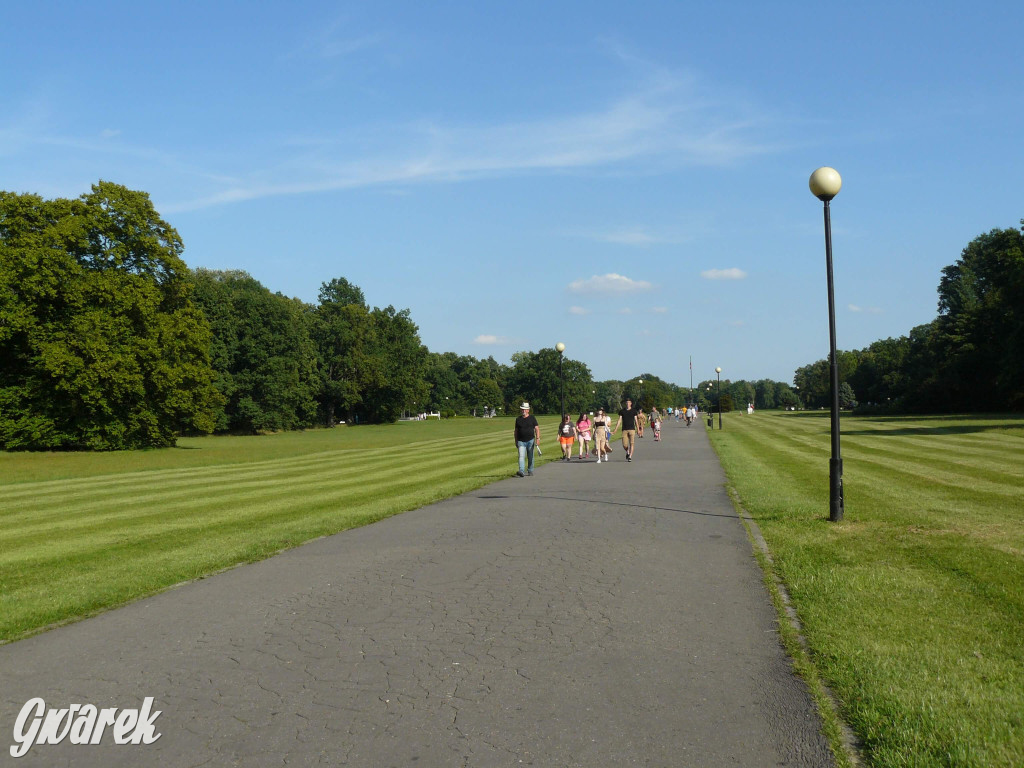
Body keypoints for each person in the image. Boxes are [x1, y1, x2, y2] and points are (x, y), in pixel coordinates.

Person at [513, 402, 540, 477]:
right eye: (522, 409)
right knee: (521, 456)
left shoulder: (532, 418)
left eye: (525, 409)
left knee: (530, 456)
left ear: (528, 410)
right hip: (521, 441)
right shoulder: (518, 419)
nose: (523, 411)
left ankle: (530, 470)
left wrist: (538, 438)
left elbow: (537, 429)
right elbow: (516, 431)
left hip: (530, 440)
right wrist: (516, 441)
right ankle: (521, 471)